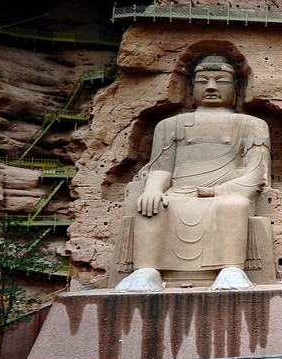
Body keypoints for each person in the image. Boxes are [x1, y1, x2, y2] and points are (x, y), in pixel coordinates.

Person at [114, 54, 271, 292]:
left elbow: (257, 172)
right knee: (150, 206)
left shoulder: (250, 124)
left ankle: (231, 269)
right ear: (190, 87)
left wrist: (218, 190)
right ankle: (146, 270)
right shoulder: (170, 125)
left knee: (234, 207)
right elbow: (161, 168)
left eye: (221, 81)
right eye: (202, 81)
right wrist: (153, 189)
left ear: (237, 88)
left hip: (225, 194)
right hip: (179, 191)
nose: (210, 87)